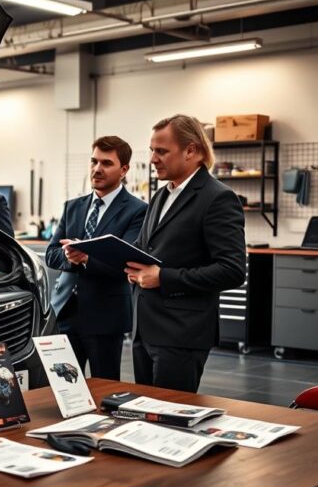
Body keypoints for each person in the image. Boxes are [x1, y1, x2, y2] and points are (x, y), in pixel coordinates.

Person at [125, 114, 246, 393]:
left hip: (181, 333)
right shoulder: (161, 195)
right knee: (146, 418)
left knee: (170, 419)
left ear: (191, 151)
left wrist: (163, 278)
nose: (153, 159)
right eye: (152, 150)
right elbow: (150, 250)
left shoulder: (217, 198)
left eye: (162, 151)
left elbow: (232, 270)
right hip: (145, 329)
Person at [45, 136, 148, 380]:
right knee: (64, 389)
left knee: (105, 387)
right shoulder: (73, 207)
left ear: (124, 170)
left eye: (106, 163)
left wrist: (86, 259)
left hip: (105, 316)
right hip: (65, 312)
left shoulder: (137, 210)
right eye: (94, 161)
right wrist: (70, 258)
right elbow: (51, 254)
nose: (97, 169)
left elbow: (126, 264)